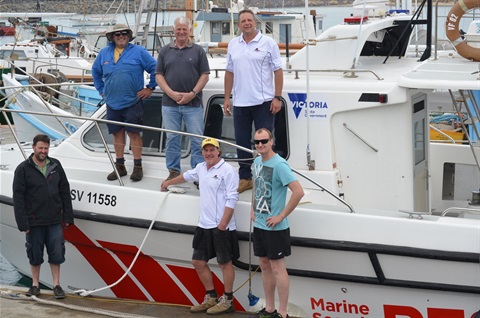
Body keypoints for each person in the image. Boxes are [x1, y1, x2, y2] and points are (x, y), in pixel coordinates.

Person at [160, 137, 239, 315]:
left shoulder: (228, 170)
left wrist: (223, 225)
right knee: (198, 261)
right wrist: (167, 183)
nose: (209, 153)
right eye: (206, 150)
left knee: (225, 263)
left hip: (221, 226)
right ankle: (211, 297)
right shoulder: (201, 168)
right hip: (204, 225)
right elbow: (186, 176)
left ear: (219, 151)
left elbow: (232, 197)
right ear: (202, 152)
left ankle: (227, 300)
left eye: (212, 150)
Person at [224, 9, 283, 193]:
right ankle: (245, 178)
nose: (247, 23)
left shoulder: (268, 43)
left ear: (254, 22)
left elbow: (278, 71)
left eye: (249, 20)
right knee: (241, 142)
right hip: (240, 102)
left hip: (263, 102)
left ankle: (266, 178)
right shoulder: (233, 44)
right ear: (239, 24)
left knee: (264, 142)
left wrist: (277, 97)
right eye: (243, 21)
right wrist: (227, 97)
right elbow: (229, 72)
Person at [92, 24, 157, 182]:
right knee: (117, 134)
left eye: (124, 34)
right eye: (117, 34)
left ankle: (137, 167)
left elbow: (156, 68)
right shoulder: (104, 53)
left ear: (129, 36)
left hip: (133, 102)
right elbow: (95, 72)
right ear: (112, 37)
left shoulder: (139, 52)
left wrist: (150, 88)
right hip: (112, 103)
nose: (121, 36)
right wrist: (101, 90)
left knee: (134, 134)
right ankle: (120, 166)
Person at [250, 128, 304, 318]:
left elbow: (298, 192)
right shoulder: (256, 161)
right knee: (264, 265)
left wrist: (281, 216)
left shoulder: (280, 165)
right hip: (259, 224)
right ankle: (270, 308)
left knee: (278, 268)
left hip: (275, 227)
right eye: (256, 142)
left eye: (264, 141)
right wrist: (252, 208)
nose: (260, 145)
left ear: (271, 141)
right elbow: (256, 185)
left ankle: (282, 312)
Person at [12, 134, 74, 299]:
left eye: (46, 148)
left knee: (57, 253)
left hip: (54, 220)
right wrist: (22, 223)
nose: (43, 151)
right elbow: (18, 198)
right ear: (33, 148)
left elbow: (64, 191)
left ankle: (56, 285)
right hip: (33, 222)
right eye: (40, 148)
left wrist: (68, 216)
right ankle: (35, 285)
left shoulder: (55, 165)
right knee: (35, 254)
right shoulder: (23, 169)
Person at [156, 16, 210, 181]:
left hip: (193, 104)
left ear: (189, 31)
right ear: (174, 30)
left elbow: (205, 75)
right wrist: (171, 93)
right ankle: (173, 171)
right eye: (178, 29)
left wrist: (192, 94)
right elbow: (159, 76)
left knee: (196, 139)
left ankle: (198, 172)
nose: (181, 32)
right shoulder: (164, 51)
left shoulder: (198, 51)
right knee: (172, 139)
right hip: (169, 105)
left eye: (184, 29)